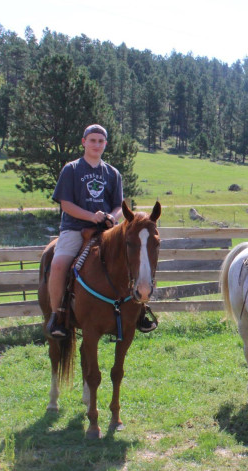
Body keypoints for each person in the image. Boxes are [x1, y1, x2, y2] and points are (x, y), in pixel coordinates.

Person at [45, 124, 157, 338]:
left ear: (105, 144)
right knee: (59, 264)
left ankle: (140, 312)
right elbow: (65, 204)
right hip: (75, 228)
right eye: (92, 140)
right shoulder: (71, 169)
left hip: (107, 231)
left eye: (100, 141)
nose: (96, 144)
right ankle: (57, 316)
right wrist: (91, 216)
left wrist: (112, 217)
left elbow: (118, 206)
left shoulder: (113, 173)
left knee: (133, 261)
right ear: (84, 142)